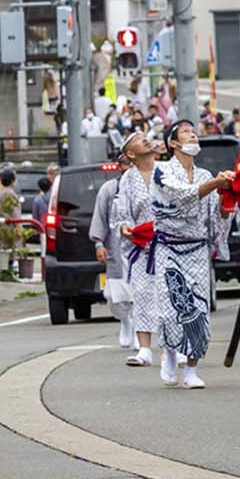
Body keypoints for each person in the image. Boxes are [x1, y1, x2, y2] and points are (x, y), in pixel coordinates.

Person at [145, 121, 236, 388]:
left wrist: (223, 200)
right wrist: (215, 183)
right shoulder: (161, 172)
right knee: (171, 306)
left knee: (198, 308)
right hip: (169, 247)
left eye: (194, 130)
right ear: (173, 143)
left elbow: (213, 218)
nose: (192, 133)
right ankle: (170, 353)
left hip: (196, 247)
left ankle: (192, 369)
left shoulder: (205, 174)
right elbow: (180, 196)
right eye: (185, 131)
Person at [112, 137, 162, 366]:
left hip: (171, 242)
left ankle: (176, 346)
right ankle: (144, 348)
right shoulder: (128, 179)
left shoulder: (168, 171)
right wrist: (124, 227)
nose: (147, 141)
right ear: (130, 154)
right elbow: (122, 211)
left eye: (146, 137)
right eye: (140, 140)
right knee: (142, 294)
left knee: (171, 294)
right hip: (142, 245)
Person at [90, 150, 134, 348]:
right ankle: (124, 321)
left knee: (138, 294)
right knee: (114, 296)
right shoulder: (109, 189)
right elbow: (100, 217)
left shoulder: (148, 187)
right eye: (124, 163)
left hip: (140, 249)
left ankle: (137, 329)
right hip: (116, 249)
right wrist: (99, 243)